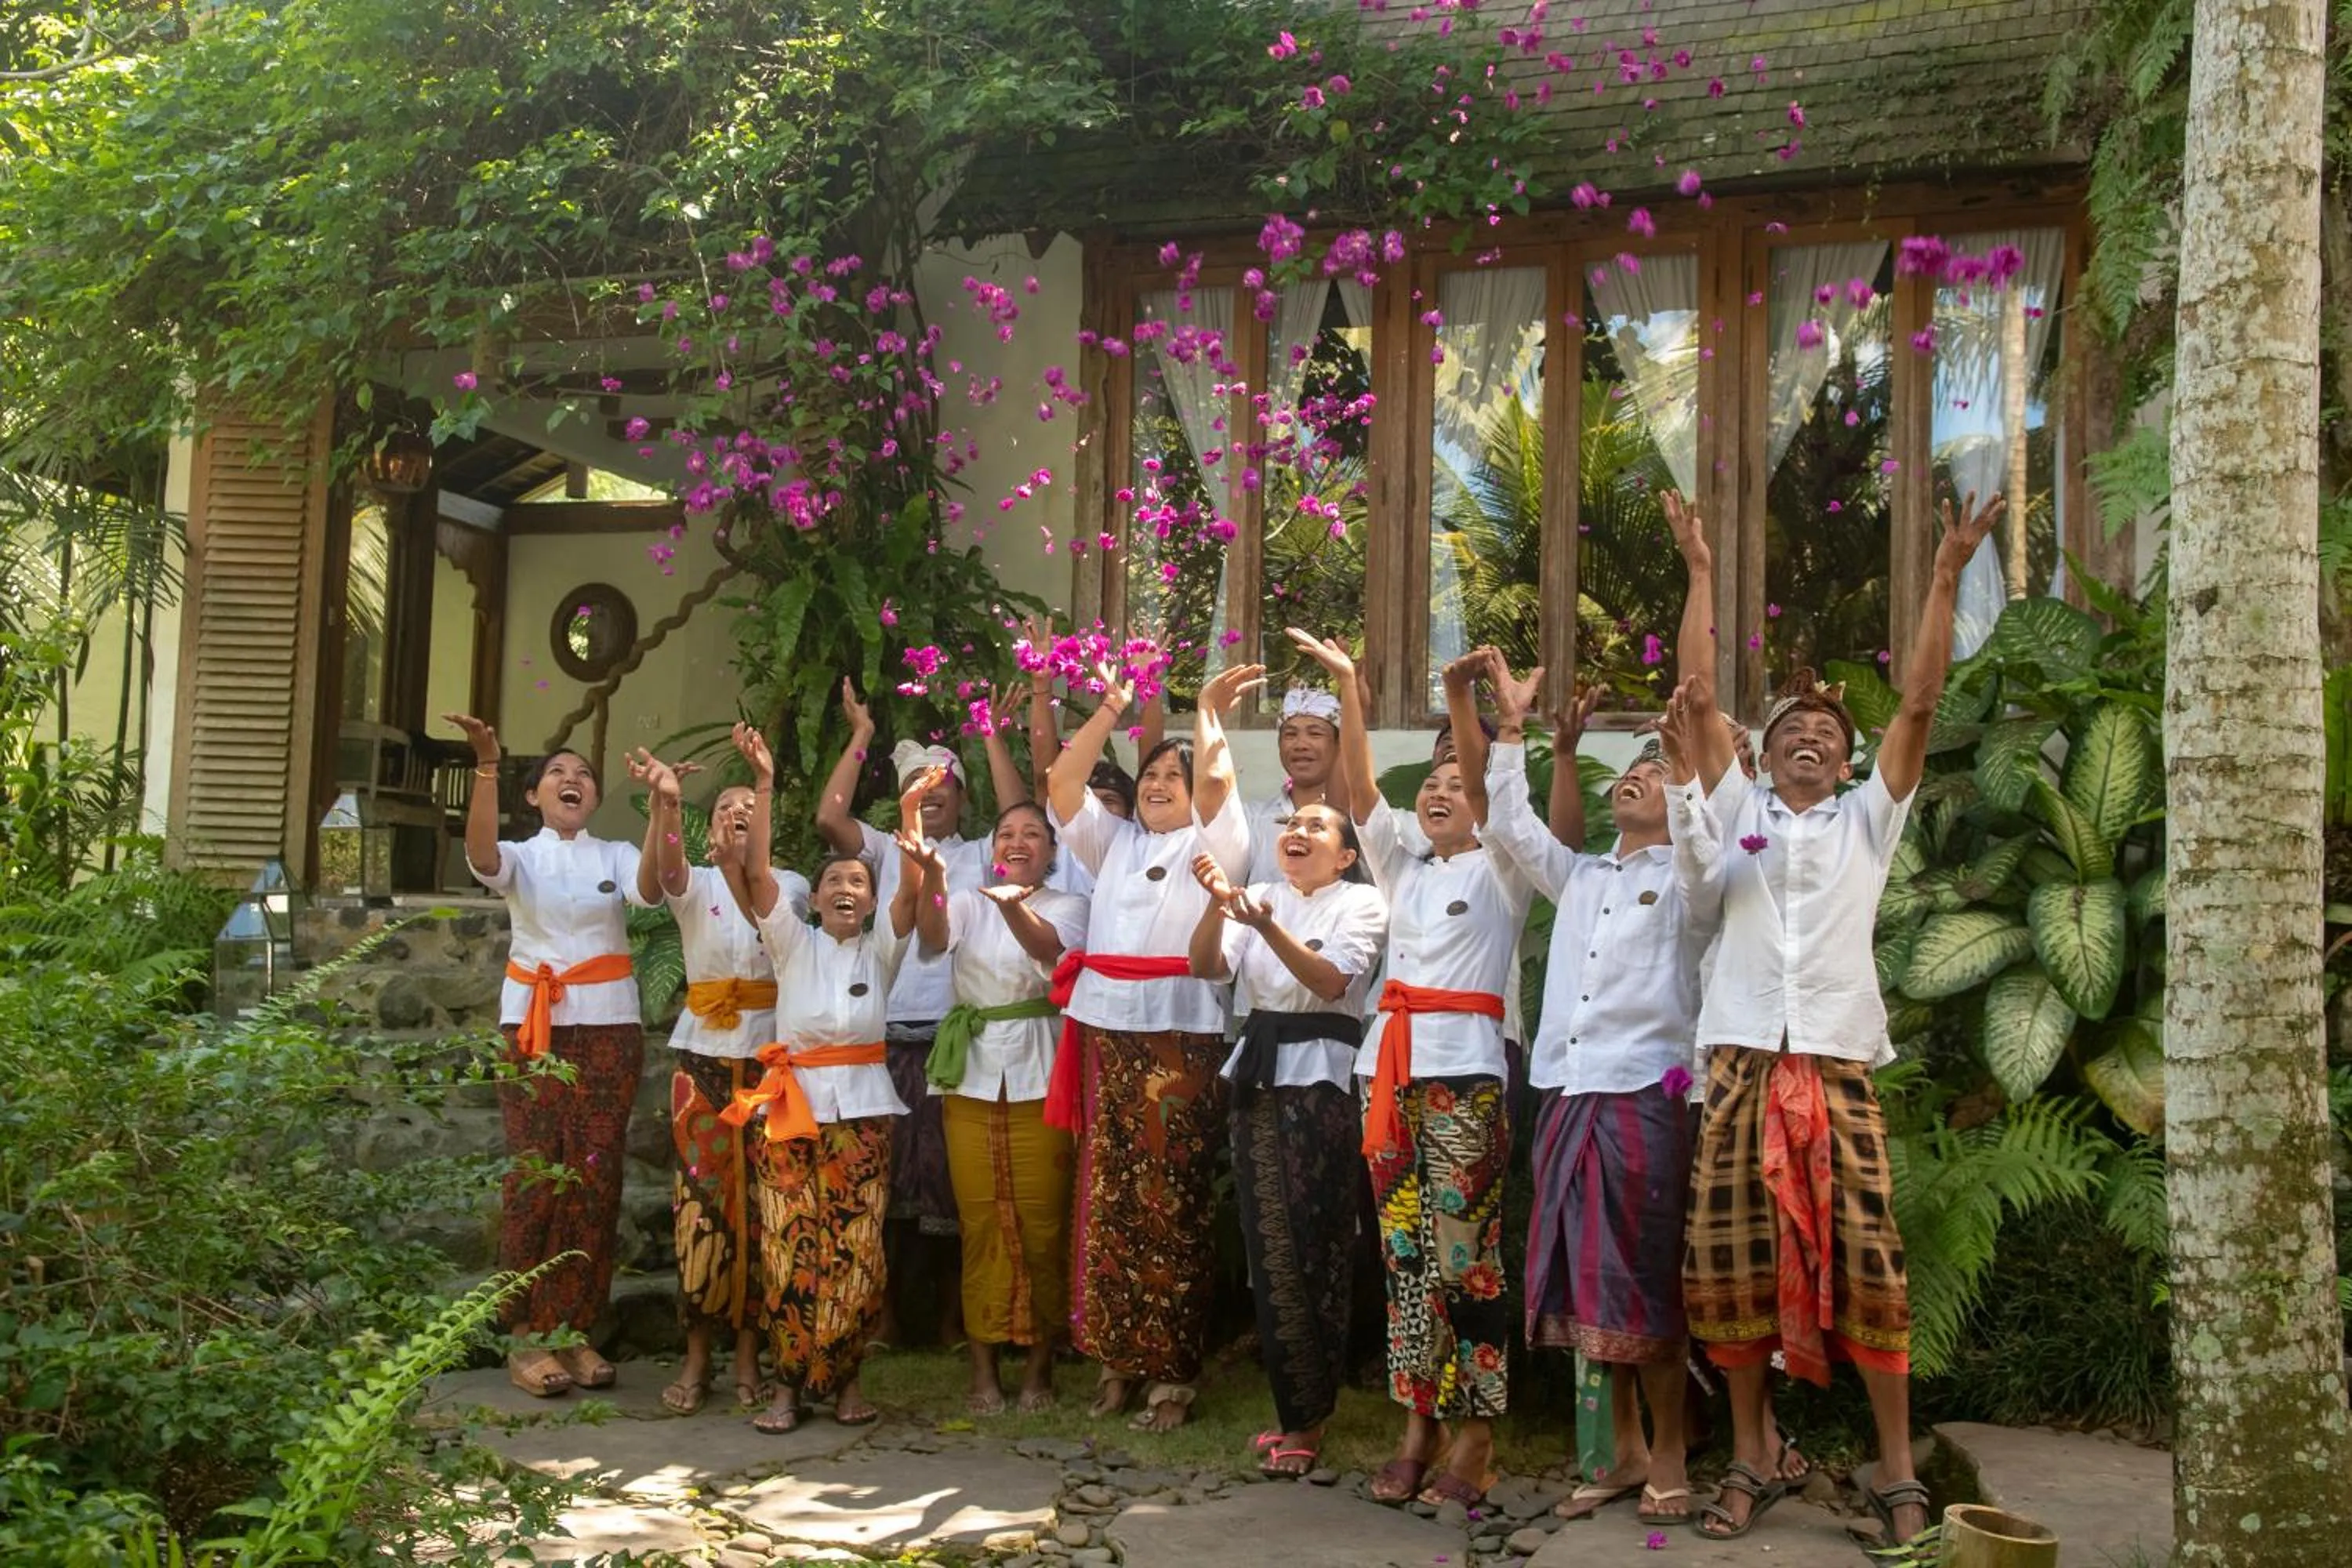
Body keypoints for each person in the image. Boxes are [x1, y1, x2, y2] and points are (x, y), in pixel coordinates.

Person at [1666, 489, 2005, 1545]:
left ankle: (1899, 1471)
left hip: (1837, 1071)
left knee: (1869, 1264)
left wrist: (1946, 576)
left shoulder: (1870, 820)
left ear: (1851, 765)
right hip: (1738, 1066)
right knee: (1731, 1267)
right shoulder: (1737, 811)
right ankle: (1753, 1457)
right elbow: (1701, 692)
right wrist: (1703, 573)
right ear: (1760, 760)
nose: (1809, 739)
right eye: (1791, 732)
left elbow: (1916, 705)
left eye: (1826, 734)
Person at [1473, 654, 1720, 1527]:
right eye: (1628, 773)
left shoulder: (1693, 883)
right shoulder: (1580, 874)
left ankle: (1670, 1454)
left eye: (1650, 773)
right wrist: (1511, 728)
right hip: (1569, 1094)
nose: (1633, 780)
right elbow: (1508, 821)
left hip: (1647, 1094)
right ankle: (1616, 1453)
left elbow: (1703, 852)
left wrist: (1687, 766)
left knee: (1646, 1279)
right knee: (1586, 1286)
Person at [1288, 630, 1532, 1509]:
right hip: (1385, 1079)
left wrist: (1466, 704)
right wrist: (1352, 682)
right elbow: (1359, 788)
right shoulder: (1405, 868)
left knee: (1467, 1258)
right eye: (1428, 784)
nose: (1438, 792)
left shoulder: (1504, 869)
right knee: (1404, 1258)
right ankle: (1418, 1424)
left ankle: (1477, 1434)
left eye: (1454, 785)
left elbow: (1491, 789)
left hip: (1464, 1080)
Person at [1044, 659, 1261, 1432]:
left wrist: (1204, 712)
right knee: (1109, 1204)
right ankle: (1115, 1358)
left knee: (1172, 1208)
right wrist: (1108, 706)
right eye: (1151, 773)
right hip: (1111, 1033)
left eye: (1175, 774)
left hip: (1181, 1039)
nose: (1161, 783)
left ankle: (1171, 1373)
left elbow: (1217, 782)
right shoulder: (1117, 845)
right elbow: (1064, 784)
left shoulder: (1220, 837)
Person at [446, 715, 649, 1398]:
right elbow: (480, 857)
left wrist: (668, 805)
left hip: (610, 1026)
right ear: (532, 795)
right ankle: (526, 1335)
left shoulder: (617, 854)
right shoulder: (519, 856)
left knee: (594, 1177)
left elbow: (654, 885)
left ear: (594, 798)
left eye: (584, 774)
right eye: (558, 773)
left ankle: (575, 1328)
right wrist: (485, 765)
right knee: (536, 1176)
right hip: (533, 1028)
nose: (574, 779)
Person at [732, 764, 935, 1433]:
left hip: (865, 1115)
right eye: (834, 883)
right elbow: (758, 876)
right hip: (791, 1112)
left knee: (855, 1248)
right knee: (790, 1246)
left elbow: (911, 893)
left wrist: (909, 813)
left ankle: (846, 1380)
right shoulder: (791, 944)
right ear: (813, 901)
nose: (846, 889)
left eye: (857, 882)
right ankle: (788, 1388)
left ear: (871, 903)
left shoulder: (881, 951)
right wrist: (765, 783)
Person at [1186, 804, 1388, 1477]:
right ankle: (1293, 1410)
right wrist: (1219, 905)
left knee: (1316, 1241)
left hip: (1322, 1080)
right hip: (1260, 1073)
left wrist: (1265, 926)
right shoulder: (1261, 895)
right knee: (1268, 1241)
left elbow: (1331, 982)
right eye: (1291, 825)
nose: (1296, 834)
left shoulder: (1361, 902)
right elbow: (1206, 966)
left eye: (1317, 828)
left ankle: (1311, 1412)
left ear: (1346, 854)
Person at [630, 731, 811, 1416]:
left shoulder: (788, 885)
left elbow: (766, 917)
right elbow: (659, 879)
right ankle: (697, 1354)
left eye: (750, 808)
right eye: (726, 808)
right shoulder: (694, 882)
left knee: (765, 1212)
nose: (737, 814)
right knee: (700, 1209)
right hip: (702, 1058)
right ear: (707, 829)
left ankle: (747, 1356)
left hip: (768, 1061)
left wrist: (759, 801)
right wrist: (665, 808)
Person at [814, 681, 988, 1344]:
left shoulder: (980, 853)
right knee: (882, 1178)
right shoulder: (884, 851)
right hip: (883, 1036)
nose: (932, 787)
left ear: (963, 797)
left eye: (945, 780)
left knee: (947, 1182)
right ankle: (880, 1316)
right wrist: (861, 735)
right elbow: (831, 820)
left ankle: (950, 1319)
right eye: (919, 779)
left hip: (952, 1039)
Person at [908, 800, 1091, 1415]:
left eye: (1031, 834)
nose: (1017, 842)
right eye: (1006, 833)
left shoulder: (1068, 904)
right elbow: (933, 934)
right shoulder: (967, 898)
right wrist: (933, 876)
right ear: (992, 850)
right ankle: (983, 1366)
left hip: (1042, 1069)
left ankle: (1040, 1363)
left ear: (1051, 851)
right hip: (972, 1075)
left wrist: (1015, 908)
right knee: (979, 1219)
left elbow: (1048, 951)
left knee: (1043, 1221)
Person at [1243, 688, 1346, 885]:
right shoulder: (1252, 819)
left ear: (1339, 745)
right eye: (1290, 735)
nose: (1301, 744)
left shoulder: (1358, 821)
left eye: (1315, 734)